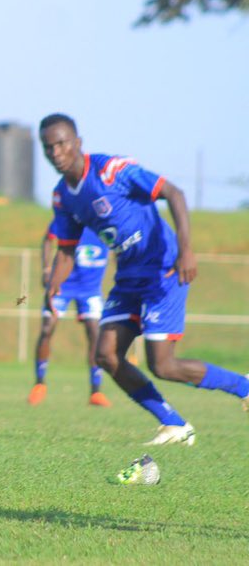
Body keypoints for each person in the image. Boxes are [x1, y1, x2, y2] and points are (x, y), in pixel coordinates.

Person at [40, 113, 249, 445]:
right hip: (129, 277)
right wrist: (54, 284)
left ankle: (244, 387)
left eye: (62, 143)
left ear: (78, 142)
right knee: (106, 355)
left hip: (163, 270)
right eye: (48, 147)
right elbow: (66, 249)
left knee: (163, 365)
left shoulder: (112, 171)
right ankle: (174, 424)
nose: (56, 153)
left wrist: (186, 251)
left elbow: (175, 193)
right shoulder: (62, 196)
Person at [28, 224, 111, 407]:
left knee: (95, 333)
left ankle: (95, 391)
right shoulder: (72, 216)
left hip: (90, 289)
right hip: (62, 285)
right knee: (47, 327)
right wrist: (47, 269)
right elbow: (48, 239)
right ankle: (39, 383)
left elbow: (124, 246)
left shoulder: (105, 224)